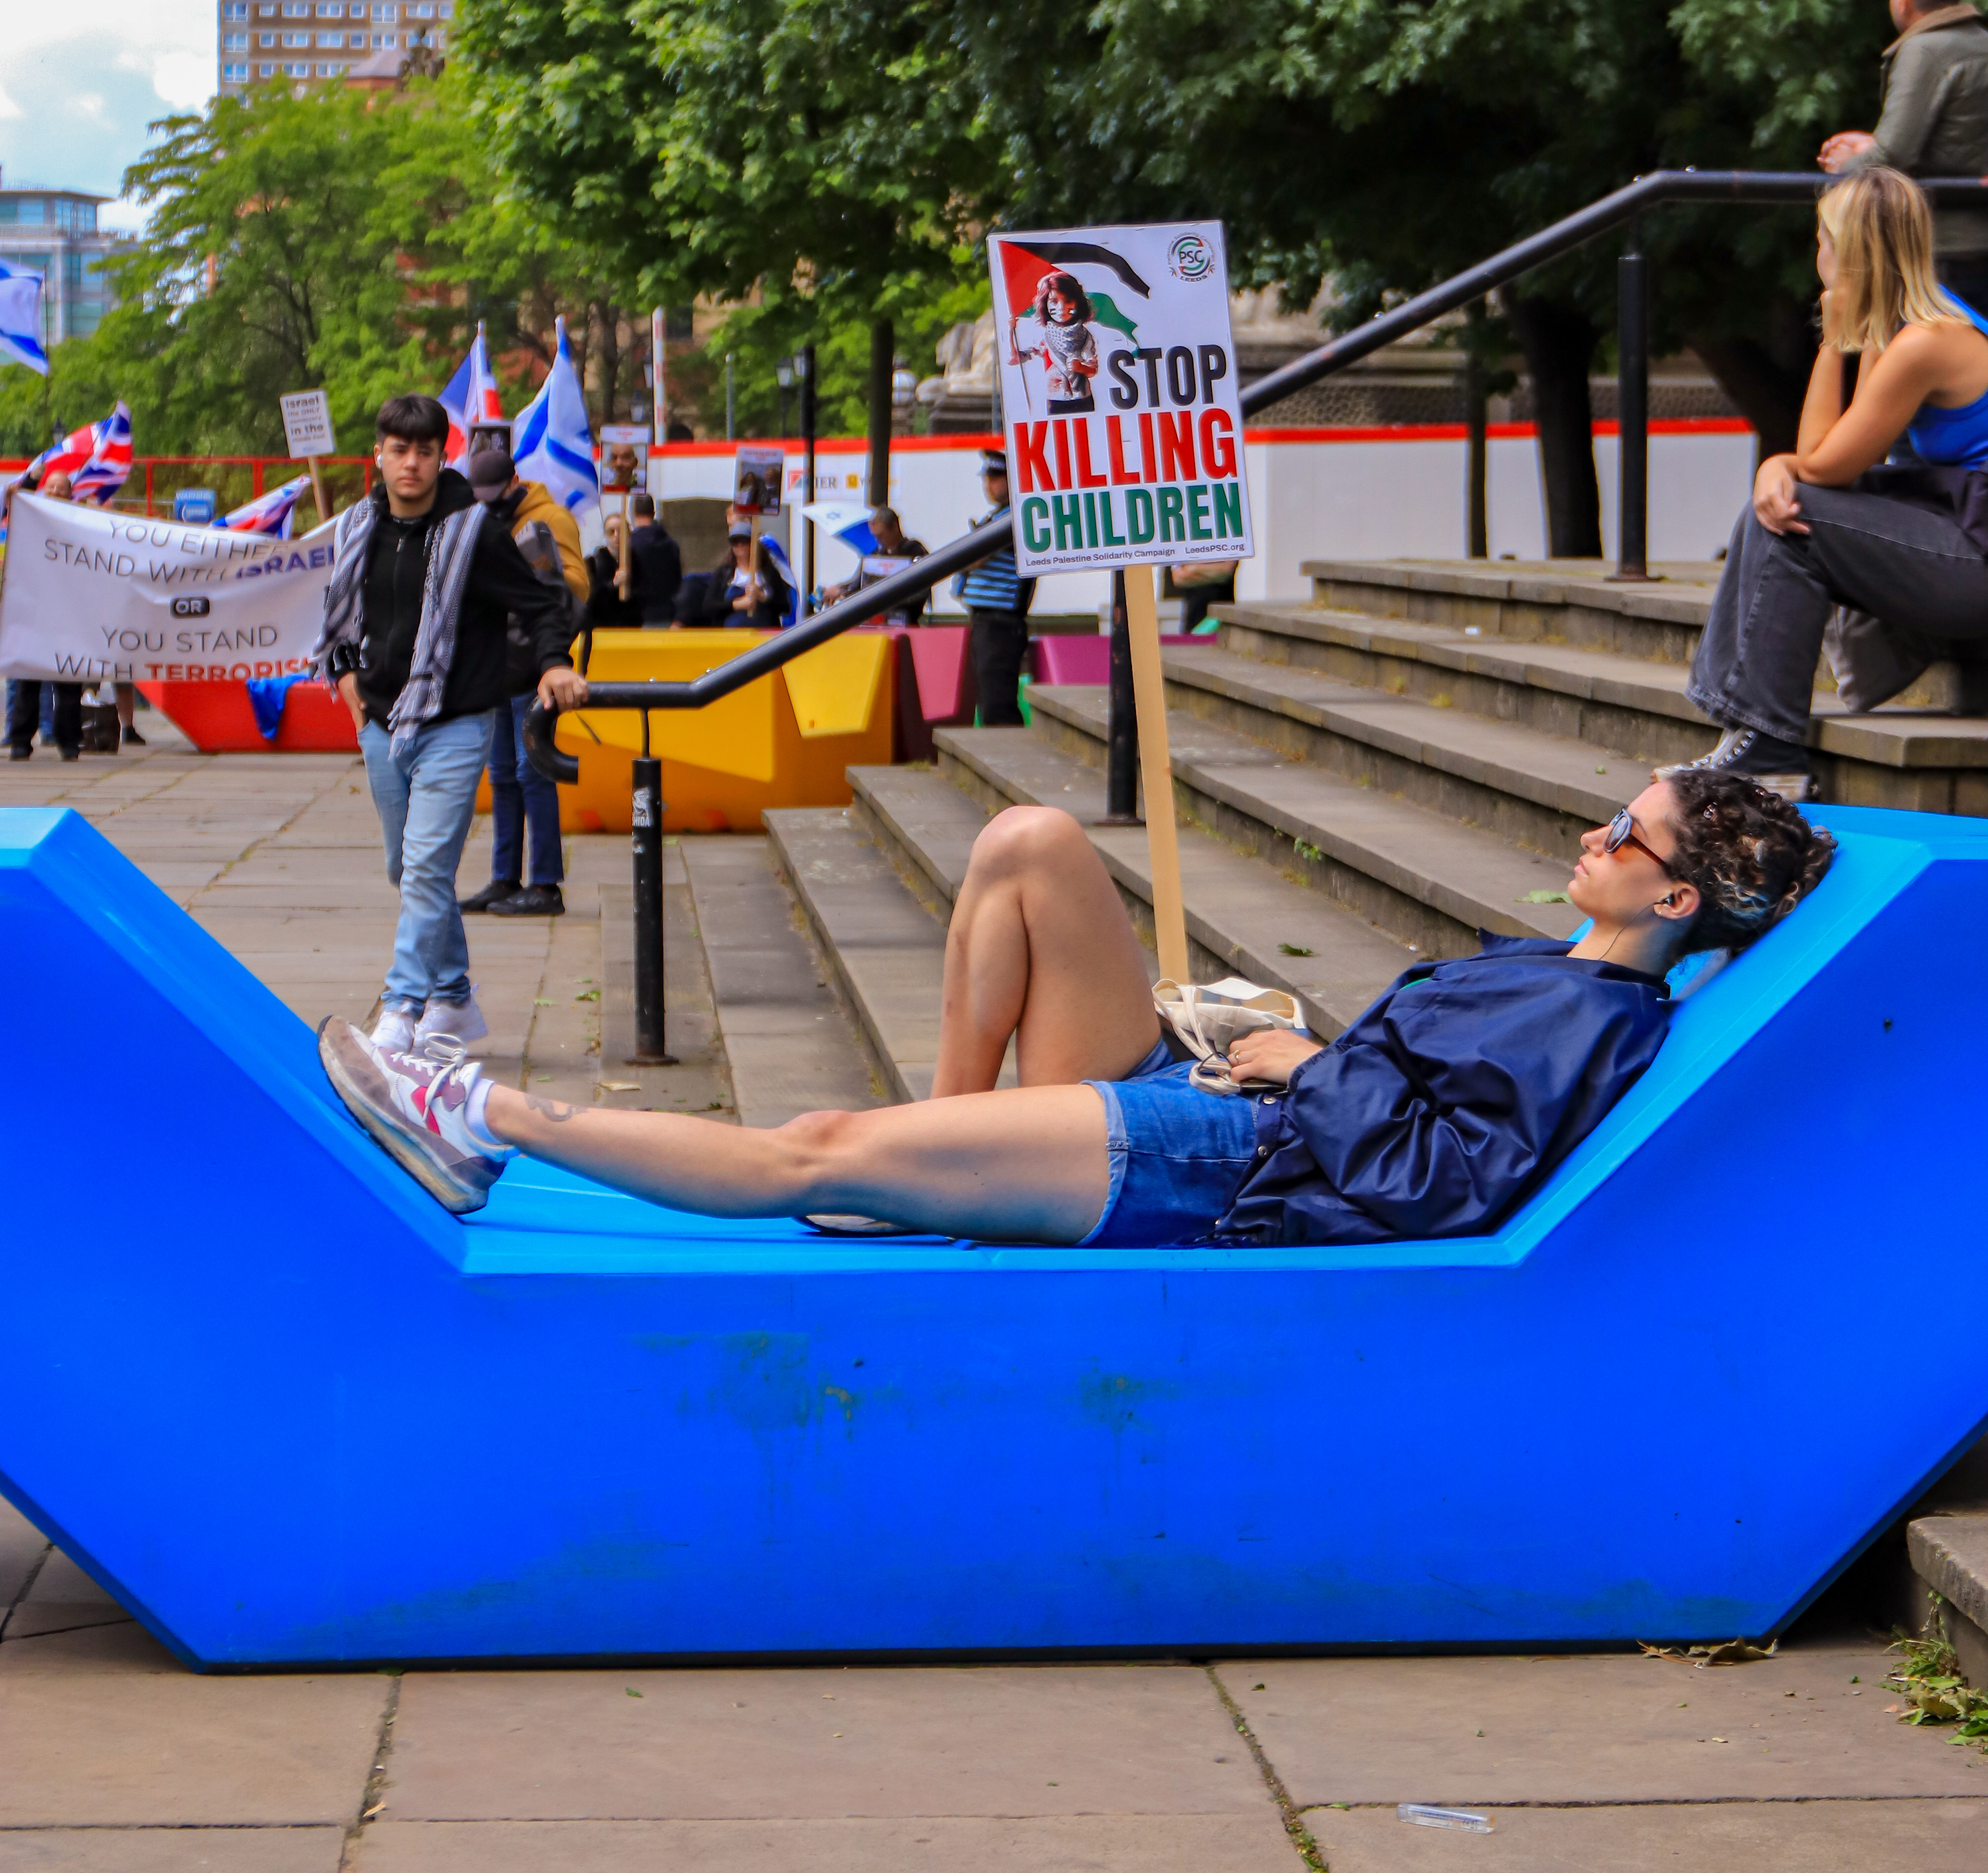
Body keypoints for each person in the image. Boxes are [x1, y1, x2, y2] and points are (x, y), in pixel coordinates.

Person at [319, 764, 1832, 1238]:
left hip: (1223, 1160)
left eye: (1618, 836)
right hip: (1232, 1104)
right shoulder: (1555, 969)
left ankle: (482, 1114)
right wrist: (1272, 1039)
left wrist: (1301, 1061)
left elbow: (1445, 1184)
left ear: (1676, 899)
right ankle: (950, 1149)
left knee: (814, 1149)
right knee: (1031, 845)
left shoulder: (1596, 1023)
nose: (1587, 836)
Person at [1686, 167, 1988, 789]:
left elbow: (1823, 467)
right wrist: (1789, 466)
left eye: (1823, 239)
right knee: (1786, 507)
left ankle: (1766, 749)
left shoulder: (1927, 342)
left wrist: (1831, 340)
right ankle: (1754, 736)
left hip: (1977, 550)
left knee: (1789, 512)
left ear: (1849, 252)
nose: (1816, 253)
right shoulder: (1904, 329)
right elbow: (1829, 466)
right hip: (1961, 524)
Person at [319, 393, 586, 1050]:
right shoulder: (356, 527)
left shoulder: (476, 532)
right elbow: (343, 616)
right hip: (383, 724)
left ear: (443, 456)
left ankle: (402, 1008)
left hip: (459, 721)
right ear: (378, 455)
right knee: (404, 869)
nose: (411, 464)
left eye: (425, 452)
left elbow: (545, 601)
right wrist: (347, 674)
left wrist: (553, 663)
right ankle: (457, 1000)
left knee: (428, 868)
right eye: (399, 450)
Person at [456, 423, 583, 921]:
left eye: (493, 497)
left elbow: (573, 591)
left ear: (514, 483)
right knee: (503, 777)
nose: (486, 506)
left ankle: (546, 883)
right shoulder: (484, 521)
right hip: (495, 667)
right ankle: (505, 878)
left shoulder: (546, 521)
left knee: (534, 775)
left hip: (532, 666)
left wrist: (530, 580)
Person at [1819, 0, 1988, 314]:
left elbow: (1893, 156)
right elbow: (1959, 140)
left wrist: (1845, 167)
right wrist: (1873, 143)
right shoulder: (1981, 42)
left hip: (1944, 250)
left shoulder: (1925, 50)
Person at [5, 468, 84, 762]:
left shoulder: (80, 521)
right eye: (50, 487)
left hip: (67, 611)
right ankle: (20, 742)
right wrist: (23, 487)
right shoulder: (28, 516)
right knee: (27, 677)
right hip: (33, 609)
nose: (54, 493)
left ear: (70, 495)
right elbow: (10, 501)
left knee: (68, 679)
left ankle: (69, 742)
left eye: (61, 488)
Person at [953, 448, 1036, 727]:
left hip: (1000, 622)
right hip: (988, 621)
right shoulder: (996, 517)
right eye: (987, 478)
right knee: (989, 699)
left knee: (997, 704)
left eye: (996, 477)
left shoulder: (1011, 517)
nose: (990, 485)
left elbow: (975, 558)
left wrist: (960, 560)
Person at [676, 513, 794, 630]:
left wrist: (763, 597)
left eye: (744, 541)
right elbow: (709, 607)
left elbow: (785, 608)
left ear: (753, 543)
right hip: (731, 639)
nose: (740, 545)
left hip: (762, 638)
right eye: (735, 542)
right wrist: (737, 605)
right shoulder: (724, 574)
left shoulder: (769, 573)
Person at [825, 504, 930, 619]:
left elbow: (921, 590)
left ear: (894, 527)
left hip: (906, 618)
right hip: (875, 619)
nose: (878, 541)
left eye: (881, 536)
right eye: (875, 536)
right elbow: (858, 583)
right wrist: (840, 590)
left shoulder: (914, 551)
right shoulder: (875, 555)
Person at [620, 491, 683, 626]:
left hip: (640, 617)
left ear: (633, 513)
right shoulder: (672, 544)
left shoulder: (629, 546)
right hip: (668, 615)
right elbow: (678, 581)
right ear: (654, 513)